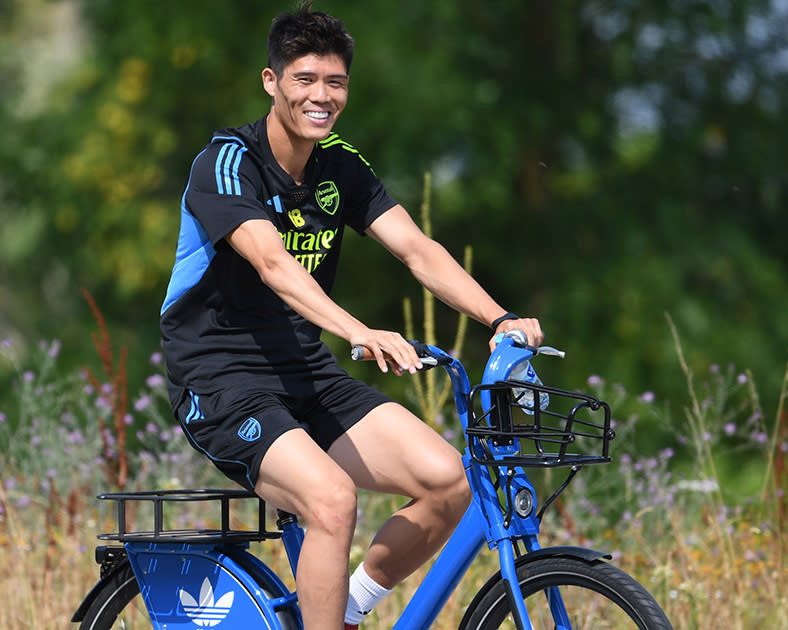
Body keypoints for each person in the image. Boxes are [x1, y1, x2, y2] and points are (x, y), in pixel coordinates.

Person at [159, 3, 543, 628]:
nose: (321, 96)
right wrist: (360, 331)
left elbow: (416, 250)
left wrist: (500, 318)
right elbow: (276, 267)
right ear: (271, 81)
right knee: (332, 501)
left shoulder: (339, 164)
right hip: (221, 380)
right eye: (304, 79)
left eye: (334, 82)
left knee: (451, 481)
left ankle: (346, 610)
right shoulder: (227, 164)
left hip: (305, 372)